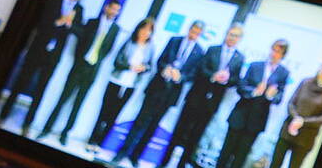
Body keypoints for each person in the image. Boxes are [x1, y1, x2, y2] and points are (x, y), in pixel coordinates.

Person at [0, 0, 90, 132]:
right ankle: (2, 116)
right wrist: (57, 22)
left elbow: (81, 32)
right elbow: (39, 23)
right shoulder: (52, 2)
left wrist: (70, 24)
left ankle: (27, 124)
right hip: (37, 50)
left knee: (40, 90)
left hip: (54, 56)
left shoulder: (79, 10)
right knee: (21, 83)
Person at [114, 18, 206, 167]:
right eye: (193, 30)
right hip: (156, 88)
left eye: (197, 32)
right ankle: (122, 152)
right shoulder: (174, 40)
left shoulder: (200, 51)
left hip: (171, 95)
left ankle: (136, 156)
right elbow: (160, 61)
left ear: (200, 34)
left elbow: (193, 75)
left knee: (153, 126)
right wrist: (165, 69)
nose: (194, 34)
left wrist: (181, 77)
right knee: (140, 122)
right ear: (189, 29)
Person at [38, 0, 126, 143]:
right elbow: (81, 38)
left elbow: (107, 49)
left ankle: (65, 133)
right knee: (63, 99)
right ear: (106, 8)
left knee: (78, 103)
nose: (114, 13)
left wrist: (95, 61)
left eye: (117, 11)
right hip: (79, 65)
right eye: (113, 9)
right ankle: (47, 128)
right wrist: (81, 56)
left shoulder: (116, 29)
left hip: (93, 70)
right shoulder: (92, 22)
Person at [162, 22, 246, 168]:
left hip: (212, 104)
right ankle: (164, 162)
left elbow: (236, 80)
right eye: (230, 34)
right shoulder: (213, 49)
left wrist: (227, 79)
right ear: (226, 34)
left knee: (196, 136)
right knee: (179, 131)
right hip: (195, 98)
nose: (232, 38)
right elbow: (200, 69)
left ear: (240, 39)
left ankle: (181, 164)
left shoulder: (240, 58)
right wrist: (213, 76)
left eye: (236, 36)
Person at [216, 41, 289, 168]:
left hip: (257, 121)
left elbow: (279, 98)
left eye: (278, 51)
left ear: (283, 55)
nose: (274, 53)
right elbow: (241, 87)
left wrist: (270, 95)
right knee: (225, 153)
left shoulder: (283, 73)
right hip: (239, 115)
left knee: (240, 157)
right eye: (273, 49)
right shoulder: (255, 65)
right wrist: (254, 91)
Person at [90, 19, 158, 152]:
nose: (145, 33)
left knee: (115, 114)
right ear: (138, 29)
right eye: (143, 29)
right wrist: (129, 66)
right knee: (104, 111)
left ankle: (100, 143)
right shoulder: (129, 42)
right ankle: (92, 139)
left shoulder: (151, 47)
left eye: (149, 30)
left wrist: (143, 67)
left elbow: (150, 67)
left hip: (131, 85)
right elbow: (117, 61)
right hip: (116, 80)